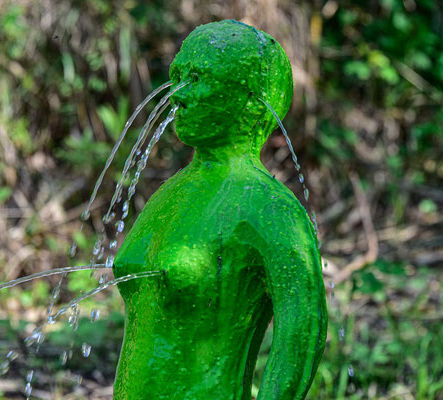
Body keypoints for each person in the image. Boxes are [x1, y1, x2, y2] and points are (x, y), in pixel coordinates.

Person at [113, 20, 326, 400]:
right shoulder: (172, 193)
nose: (178, 94)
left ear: (250, 99)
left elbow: (301, 333)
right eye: (176, 76)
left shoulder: (268, 207)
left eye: (197, 78)